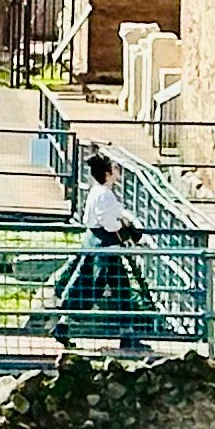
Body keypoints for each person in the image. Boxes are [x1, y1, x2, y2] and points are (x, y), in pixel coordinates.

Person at [57, 146, 151, 349]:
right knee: (119, 289)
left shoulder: (96, 192)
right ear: (108, 174)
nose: (118, 171)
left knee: (84, 284)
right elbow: (109, 223)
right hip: (106, 246)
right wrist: (124, 228)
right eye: (115, 168)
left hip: (93, 242)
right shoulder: (105, 195)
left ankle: (63, 324)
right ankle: (127, 334)